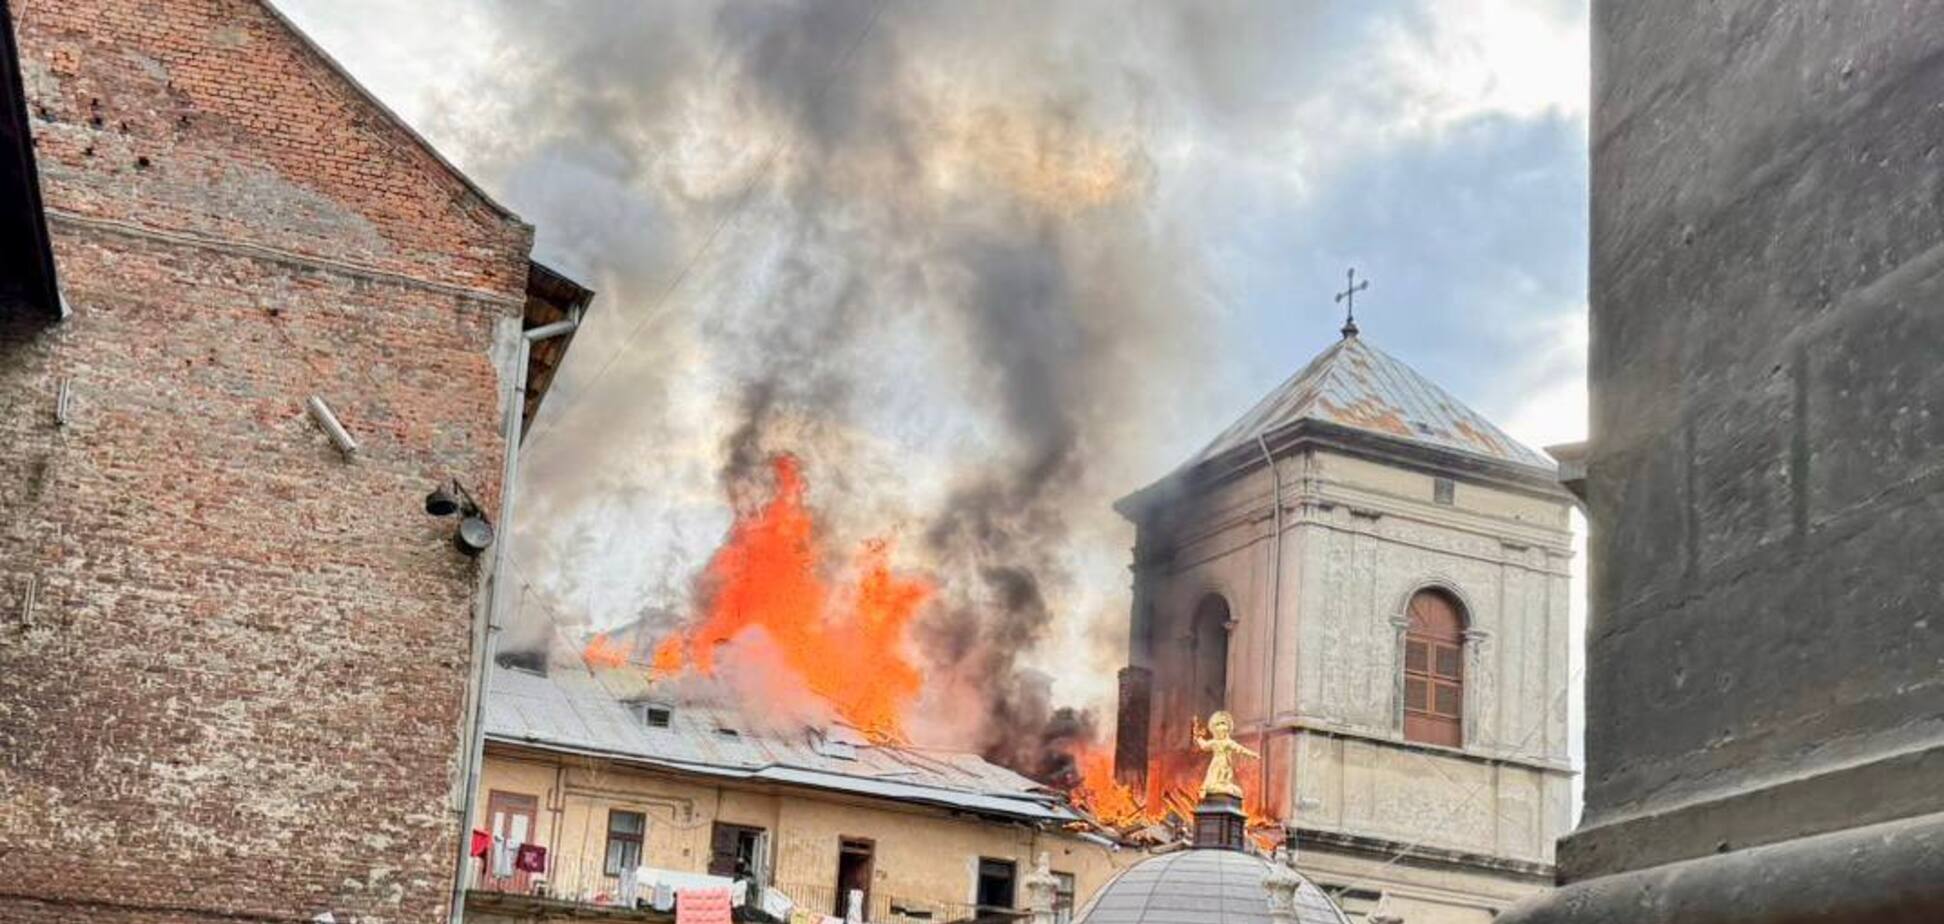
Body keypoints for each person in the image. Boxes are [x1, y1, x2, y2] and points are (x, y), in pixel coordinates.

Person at [1194, 710, 1257, 798]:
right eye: (1218, 725)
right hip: (1216, 762)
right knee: (1214, 775)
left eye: (1223, 725)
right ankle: (1212, 788)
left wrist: (1252, 754)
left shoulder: (1228, 742)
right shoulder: (1214, 742)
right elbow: (1204, 746)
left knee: (1225, 776)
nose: (1221, 729)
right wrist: (1198, 738)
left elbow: (1240, 749)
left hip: (1225, 763)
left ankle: (1222, 786)